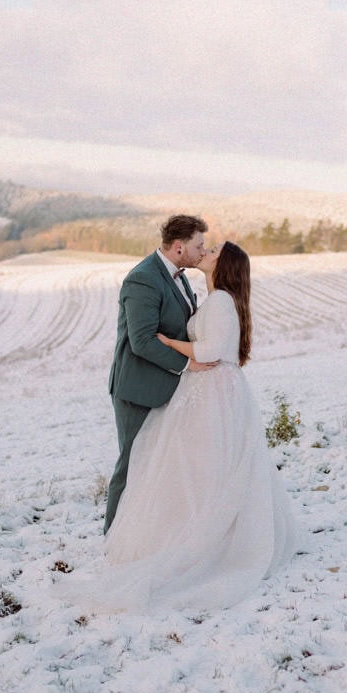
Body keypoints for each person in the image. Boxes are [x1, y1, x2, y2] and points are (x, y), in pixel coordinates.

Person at [71, 240, 296, 613]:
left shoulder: (220, 301)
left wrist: (168, 342)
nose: (205, 252)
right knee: (200, 467)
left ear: (224, 265)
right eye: (204, 246)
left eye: (213, 251)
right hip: (208, 389)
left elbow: (210, 352)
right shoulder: (214, 298)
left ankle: (208, 540)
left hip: (212, 391)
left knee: (200, 466)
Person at [104, 214, 214, 534]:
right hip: (138, 389)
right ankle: (113, 539)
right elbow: (142, 342)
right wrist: (188, 364)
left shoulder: (179, 276)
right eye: (199, 245)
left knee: (162, 465)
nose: (203, 251)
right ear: (179, 247)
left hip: (168, 386)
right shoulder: (143, 279)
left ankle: (150, 535)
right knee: (132, 465)